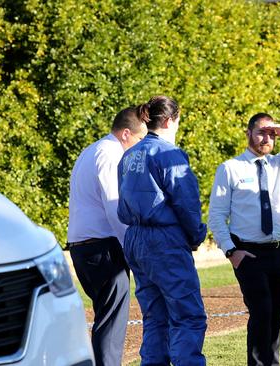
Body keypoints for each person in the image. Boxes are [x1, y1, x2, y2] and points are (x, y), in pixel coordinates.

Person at [208, 113, 280, 366]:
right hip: (247, 253)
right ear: (248, 134)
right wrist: (231, 252)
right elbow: (217, 216)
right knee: (261, 311)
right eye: (261, 132)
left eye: (271, 134)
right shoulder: (230, 168)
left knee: (276, 315)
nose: (266, 138)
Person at [117, 96, 208, 366]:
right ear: (170, 120)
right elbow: (186, 201)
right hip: (164, 239)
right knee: (187, 315)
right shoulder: (169, 153)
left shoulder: (129, 154)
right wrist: (195, 235)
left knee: (155, 316)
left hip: (135, 237)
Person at [66, 106, 147, 366]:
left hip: (83, 247)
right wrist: (131, 247)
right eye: (139, 138)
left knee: (105, 319)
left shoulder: (90, 150)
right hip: (104, 248)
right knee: (112, 324)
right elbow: (115, 205)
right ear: (126, 134)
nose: (141, 145)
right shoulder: (111, 154)